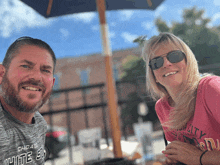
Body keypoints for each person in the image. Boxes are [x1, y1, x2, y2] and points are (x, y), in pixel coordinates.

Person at [142, 32, 220, 165]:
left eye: (174, 56)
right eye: (156, 62)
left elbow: (193, 157)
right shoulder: (162, 107)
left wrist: (200, 157)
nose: (166, 64)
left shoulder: (211, 89)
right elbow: (184, 156)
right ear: (153, 74)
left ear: (188, 61)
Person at [0, 37, 56, 164]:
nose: (36, 77)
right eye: (25, 66)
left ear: (52, 83)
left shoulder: (39, 124)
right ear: (1, 74)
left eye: (45, 70)